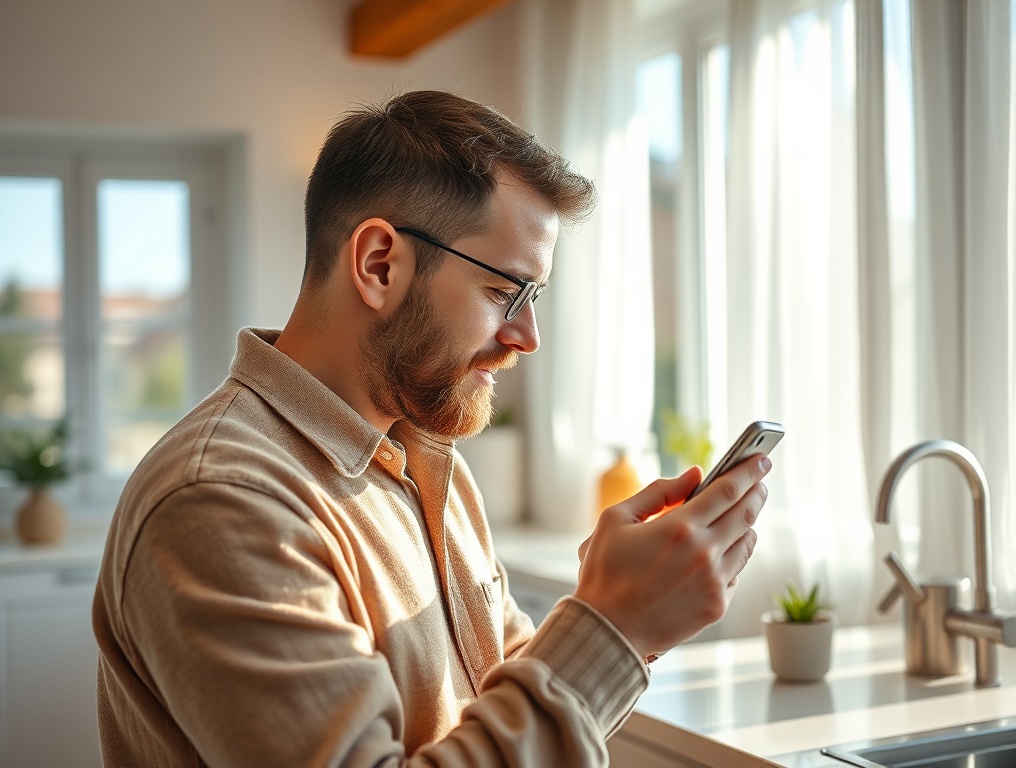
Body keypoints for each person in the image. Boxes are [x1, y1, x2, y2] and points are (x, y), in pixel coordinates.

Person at [93, 90, 771, 768]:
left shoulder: (424, 459)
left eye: (535, 298)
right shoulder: (222, 500)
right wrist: (615, 625)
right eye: (507, 291)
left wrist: (638, 611)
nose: (527, 336)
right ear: (379, 264)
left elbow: (505, 708)